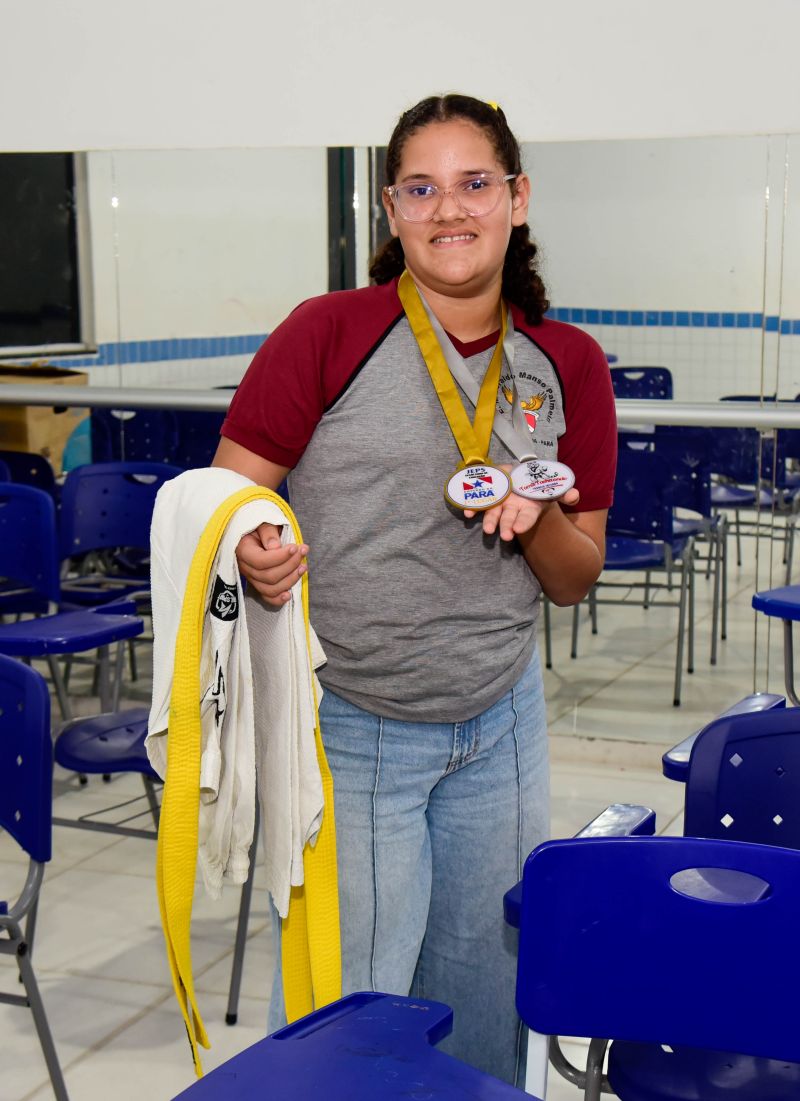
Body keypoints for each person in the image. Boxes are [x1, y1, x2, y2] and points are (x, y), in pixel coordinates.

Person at [212, 93, 617, 1085]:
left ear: (515, 198)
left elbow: (575, 577)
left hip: (501, 720)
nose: (449, 210)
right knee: (346, 1019)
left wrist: (539, 521)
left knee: (487, 1002)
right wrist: (253, 547)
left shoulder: (564, 363)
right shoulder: (327, 333)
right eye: (421, 189)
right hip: (355, 722)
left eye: (474, 183)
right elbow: (224, 505)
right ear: (391, 212)